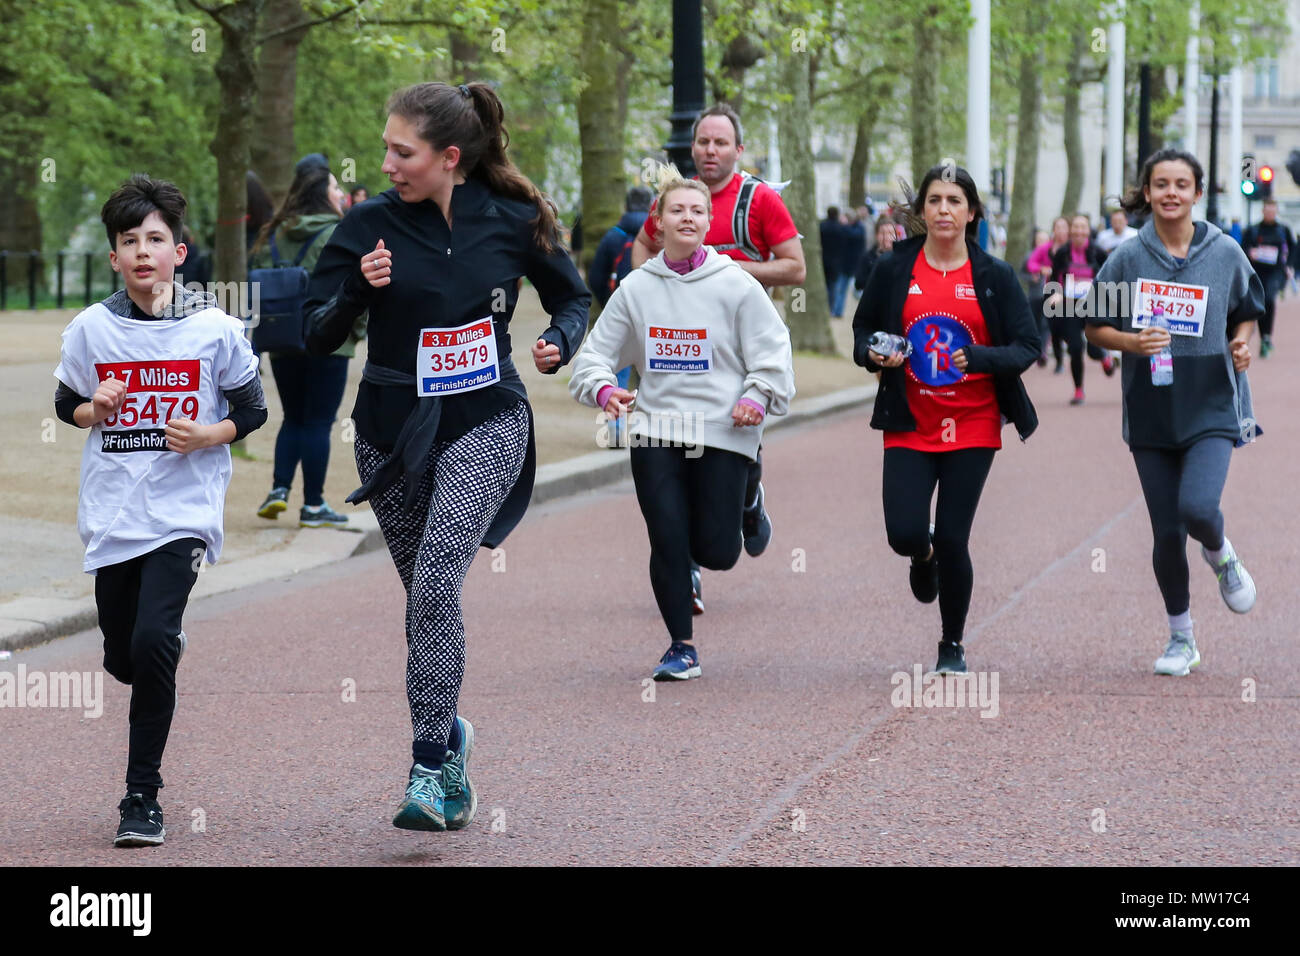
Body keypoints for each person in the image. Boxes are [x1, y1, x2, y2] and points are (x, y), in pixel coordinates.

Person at [303, 81, 590, 832]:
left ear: (450, 158)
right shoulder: (366, 225)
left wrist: (561, 341)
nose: (388, 163)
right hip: (389, 432)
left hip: (486, 417)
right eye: (387, 148)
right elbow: (313, 334)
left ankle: (428, 767)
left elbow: (573, 298)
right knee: (424, 602)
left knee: (434, 584)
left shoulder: (513, 218)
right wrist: (355, 296)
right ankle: (454, 732)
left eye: (404, 152)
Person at [52, 174, 267, 846]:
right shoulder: (92, 328)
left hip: (183, 516)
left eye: (156, 238)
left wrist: (209, 435)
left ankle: (140, 798)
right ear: (114, 257)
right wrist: (97, 408)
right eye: (129, 241)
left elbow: (253, 410)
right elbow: (66, 408)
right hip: (114, 515)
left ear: (180, 251)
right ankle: (143, 655)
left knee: (153, 645)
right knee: (125, 653)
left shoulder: (215, 328)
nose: (143, 251)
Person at [569, 164, 794, 680]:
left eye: (697, 210)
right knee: (667, 536)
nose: (687, 218)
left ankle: (748, 499)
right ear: (660, 222)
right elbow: (593, 358)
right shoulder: (636, 289)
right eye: (677, 210)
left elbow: (773, 355)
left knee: (717, 551)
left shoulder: (736, 286)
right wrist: (604, 389)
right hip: (657, 430)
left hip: (723, 429)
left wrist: (758, 397)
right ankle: (681, 646)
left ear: (708, 221)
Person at [852, 163, 1039, 676]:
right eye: (934, 200)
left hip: (974, 422)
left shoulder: (994, 276)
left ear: (971, 212)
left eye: (954, 201)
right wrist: (875, 353)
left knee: (956, 538)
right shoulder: (894, 269)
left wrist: (978, 358)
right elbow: (863, 328)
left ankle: (951, 642)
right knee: (905, 532)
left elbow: (1028, 346)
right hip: (909, 420)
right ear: (922, 211)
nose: (943, 210)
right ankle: (921, 554)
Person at [1085, 148, 1262, 677]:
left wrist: (1241, 345)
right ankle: (1181, 638)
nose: (1170, 193)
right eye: (1160, 184)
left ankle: (1221, 553)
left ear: (1196, 193)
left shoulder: (1226, 251)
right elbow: (1093, 326)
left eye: (1181, 185)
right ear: (1147, 192)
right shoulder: (1128, 257)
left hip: (1211, 400)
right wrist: (1132, 344)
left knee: (1198, 508)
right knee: (1165, 532)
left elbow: (1247, 315)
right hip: (1152, 409)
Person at [630, 103, 806, 610]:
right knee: (674, 460)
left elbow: (794, 268)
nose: (710, 151)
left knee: (736, 446)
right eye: (703, 142)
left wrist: (729, 269)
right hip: (678, 349)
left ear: (738, 150)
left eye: (720, 143)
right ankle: (685, 572)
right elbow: (643, 247)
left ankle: (749, 498)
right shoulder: (679, 199)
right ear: (693, 148)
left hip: (739, 350)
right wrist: (647, 287)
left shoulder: (760, 200)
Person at [251, 162, 366, 528]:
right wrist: (356, 331)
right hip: (329, 341)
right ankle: (314, 505)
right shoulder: (340, 232)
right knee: (319, 422)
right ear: (322, 194)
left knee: (293, 418)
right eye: (334, 188)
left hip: (282, 339)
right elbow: (356, 285)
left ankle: (279, 489)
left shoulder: (273, 234)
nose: (339, 194)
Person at [586, 185, 654, 447]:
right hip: (652, 313)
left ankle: (615, 429)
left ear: (626, 205)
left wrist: (607, 301)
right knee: (652, 371)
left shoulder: (613, 236)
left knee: (619, 372)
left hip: (622, 312)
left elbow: (595, 276)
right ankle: (651, 429)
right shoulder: (656, 234)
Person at [1045, 213, 1116, 405]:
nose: (1078, 231)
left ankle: (1103, 357)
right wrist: (1054, 294)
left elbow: (1109, 277)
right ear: (1070, 230)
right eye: (1075, 227)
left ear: (1088, 230)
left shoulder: (1099, 252)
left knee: (1093, 349)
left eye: (1082, 227)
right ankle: (1078, 390)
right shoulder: (1062, 253)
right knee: (1075, 347)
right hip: (1070, 306)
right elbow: (1054, 277)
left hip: (1093, 304)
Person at [1239, 198, 1296, 358]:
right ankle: (1263, 335)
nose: (1270, 212)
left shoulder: (1283, 230)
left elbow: (1294, 248)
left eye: (1273, 210)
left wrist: (1290, 266)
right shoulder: (1253, 230)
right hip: (1256, 272)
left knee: (1269, 299)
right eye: (1267, 209)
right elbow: (1242, 249)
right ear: (1263, 211)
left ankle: (1266, 336)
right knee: (1258, 303)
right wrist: (1251, 252)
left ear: (1276, 211)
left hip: (1275, 272)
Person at [1026, 216, 1070, 372]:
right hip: (1052, 291)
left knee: (1075, 327)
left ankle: (1098, 353)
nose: (1061, 230)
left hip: (1072, 292)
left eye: (1064, 227)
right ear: (1053, 230)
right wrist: (1041, 269)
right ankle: (1058, 361)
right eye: (1057, 227)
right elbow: (1031, 263)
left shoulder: (1073, 248)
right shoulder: (1046, 248)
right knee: (1054, 327)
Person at [854, 215, 897, 294]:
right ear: (876, 235)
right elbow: (858, 284)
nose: (887, 237)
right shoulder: (867, 257)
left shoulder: (903, 256)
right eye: (883, 233)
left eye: (891, 233)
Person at [819, 206, 848, 317]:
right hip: (836, 261)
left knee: (825, 285)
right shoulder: (841, 228)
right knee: (833, 287)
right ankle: (830, 309)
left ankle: (823, 308)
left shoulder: (822, 226)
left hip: (823, 260)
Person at [840, 208, 867, 307]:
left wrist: (844, 225)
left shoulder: (858, 228)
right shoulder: (852, 227)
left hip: (854, 263)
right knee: (842, 288)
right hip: (848, 263)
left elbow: (854, 235)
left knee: (853, 288)